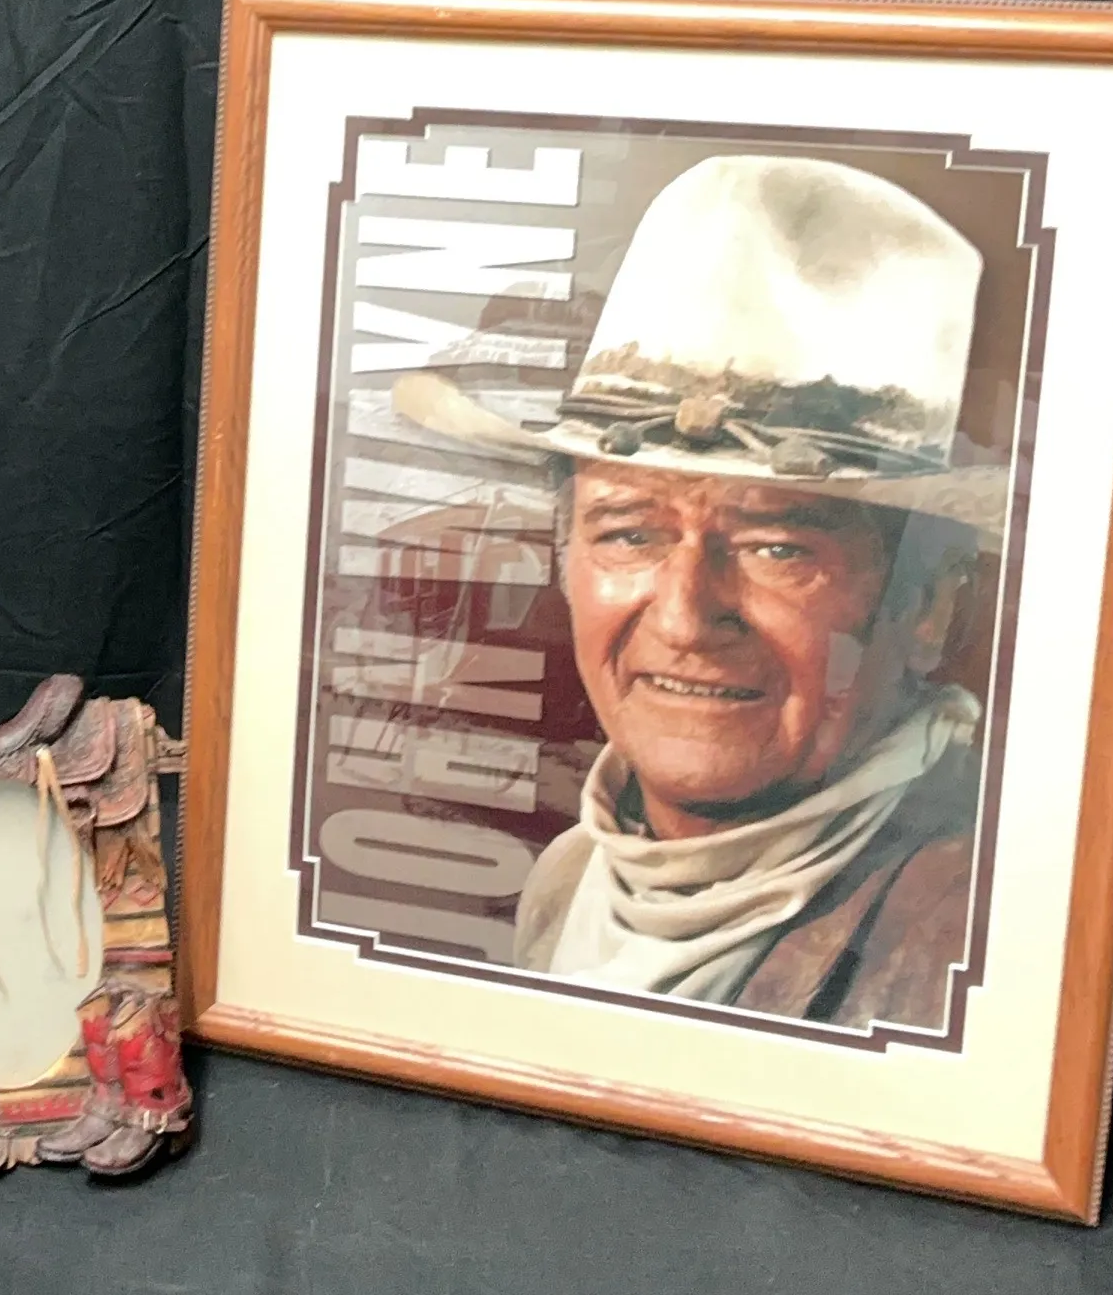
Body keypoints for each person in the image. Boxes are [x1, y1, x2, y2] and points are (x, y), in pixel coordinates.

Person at [393, 155, 1006, 1031]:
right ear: (565, 560)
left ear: (931, 610)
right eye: (628, 533)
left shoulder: (975, 934)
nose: (683, 617)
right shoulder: (572, 877)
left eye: (775, 548)